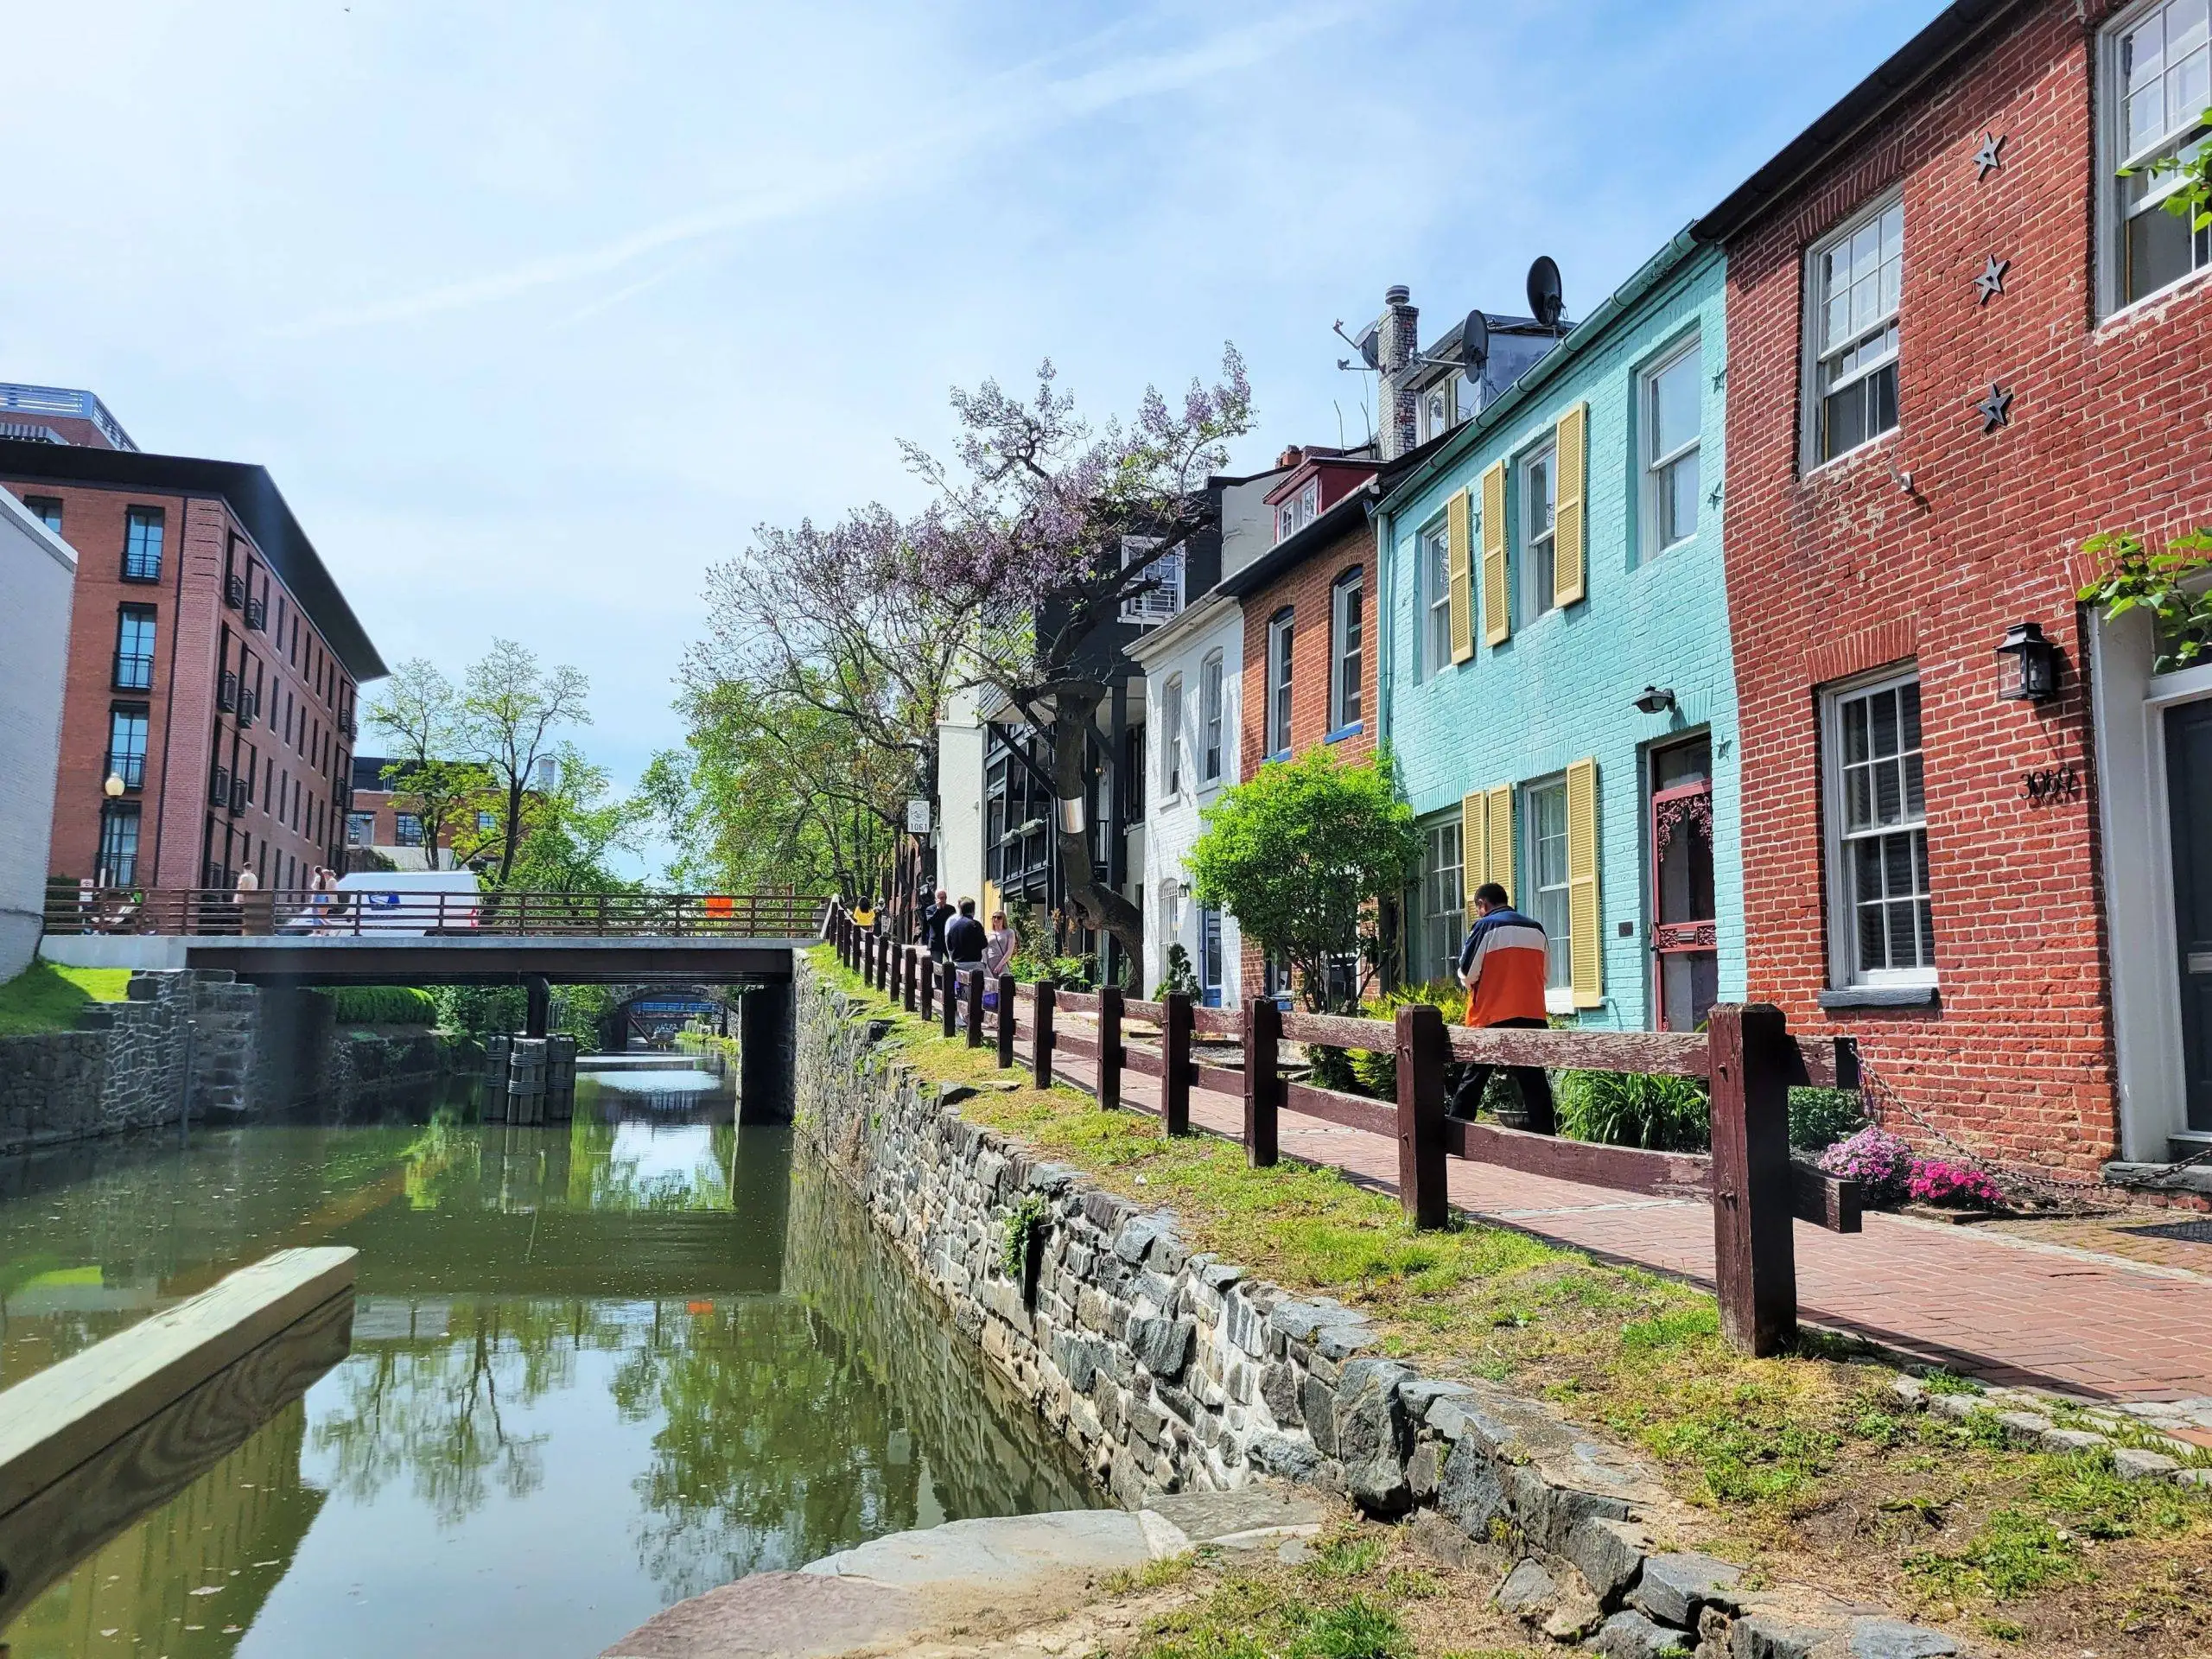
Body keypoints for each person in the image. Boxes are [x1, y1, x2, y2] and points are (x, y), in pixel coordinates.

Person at [1449, 881, 1555, 1132]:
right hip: (1531, 1014)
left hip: (1492, 1015)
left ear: (1482, 905)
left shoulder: (1485, 926)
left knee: (1473, 1080)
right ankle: (1548, 1139)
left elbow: (1467, 973)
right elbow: (1546, 974)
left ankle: (1454, 1134)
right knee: (1535, 1083)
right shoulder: (1536, 929)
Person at [944, 898, 988, 972]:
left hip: (958, 965)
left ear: (961, 910)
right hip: (974, 965)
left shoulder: (954, 927)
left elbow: (949, 946)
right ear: (973, 910)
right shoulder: (976, 925)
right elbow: (984, 944)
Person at [920, 888, 957, 960]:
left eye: (945, 897)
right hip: (936, 942)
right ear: (936, 899)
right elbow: (931, 921)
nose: (943, 900)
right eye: (941, 898)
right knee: (936, 966)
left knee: (951, 964)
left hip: (948, 941)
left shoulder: (951, 909)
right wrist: (938, 909)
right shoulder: (930, 909)